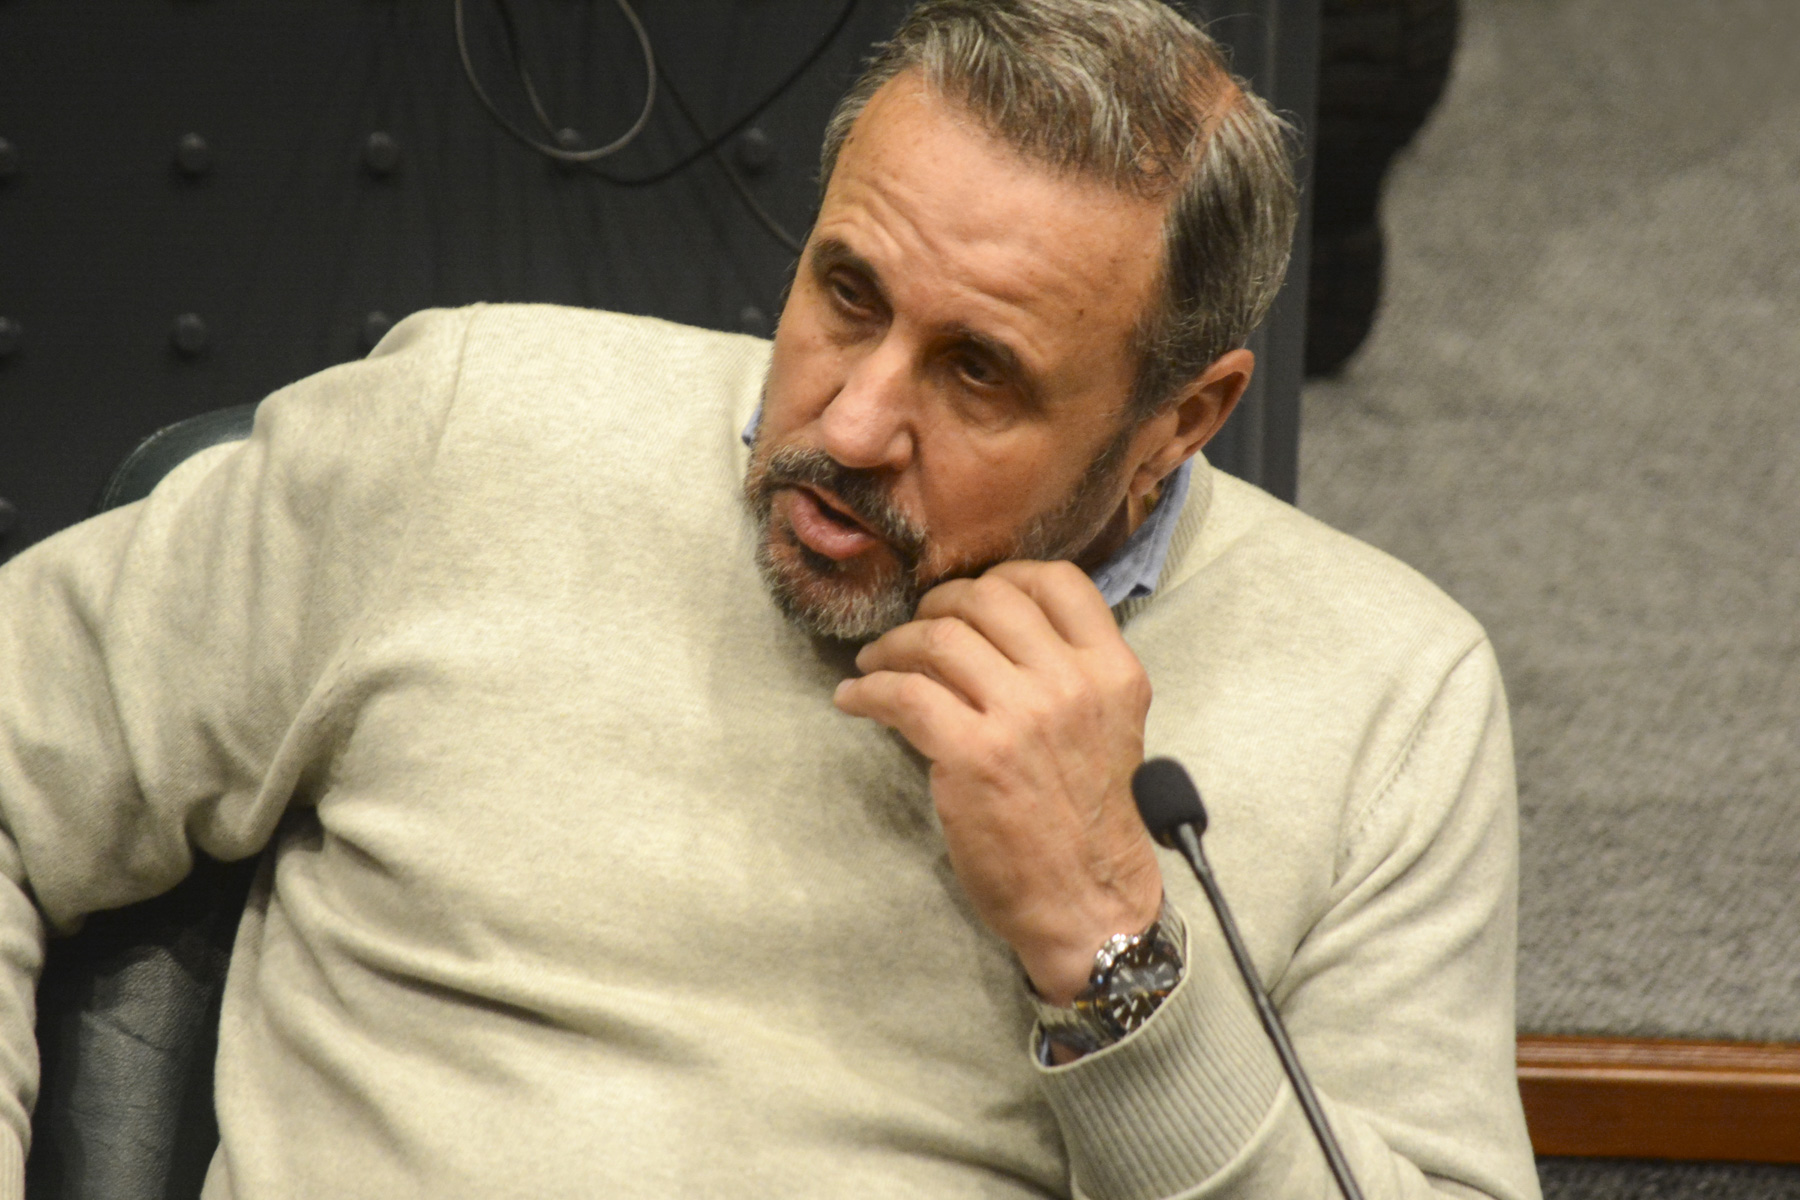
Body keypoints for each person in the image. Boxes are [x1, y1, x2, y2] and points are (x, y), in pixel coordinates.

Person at [0, 1, 1539, 1197]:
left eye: (979, 373)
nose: (851, 424)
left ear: (1179, 422)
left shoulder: (1385, 697)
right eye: (846, 295)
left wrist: (1112, 947)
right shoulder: (472, 431)